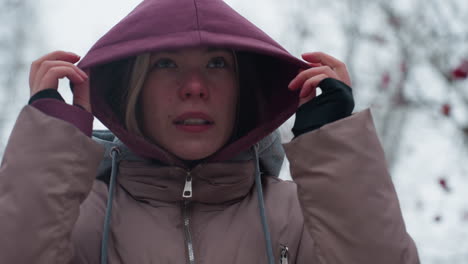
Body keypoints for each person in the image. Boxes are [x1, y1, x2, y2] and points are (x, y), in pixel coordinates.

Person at [0, 0, 420, 263]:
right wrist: (50, 141)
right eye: (166, 64)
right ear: (134, 90)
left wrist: (334, 147)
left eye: (217, 63)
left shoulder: (304, 217)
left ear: (244, 90)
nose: (195, 86)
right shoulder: (73, 218)